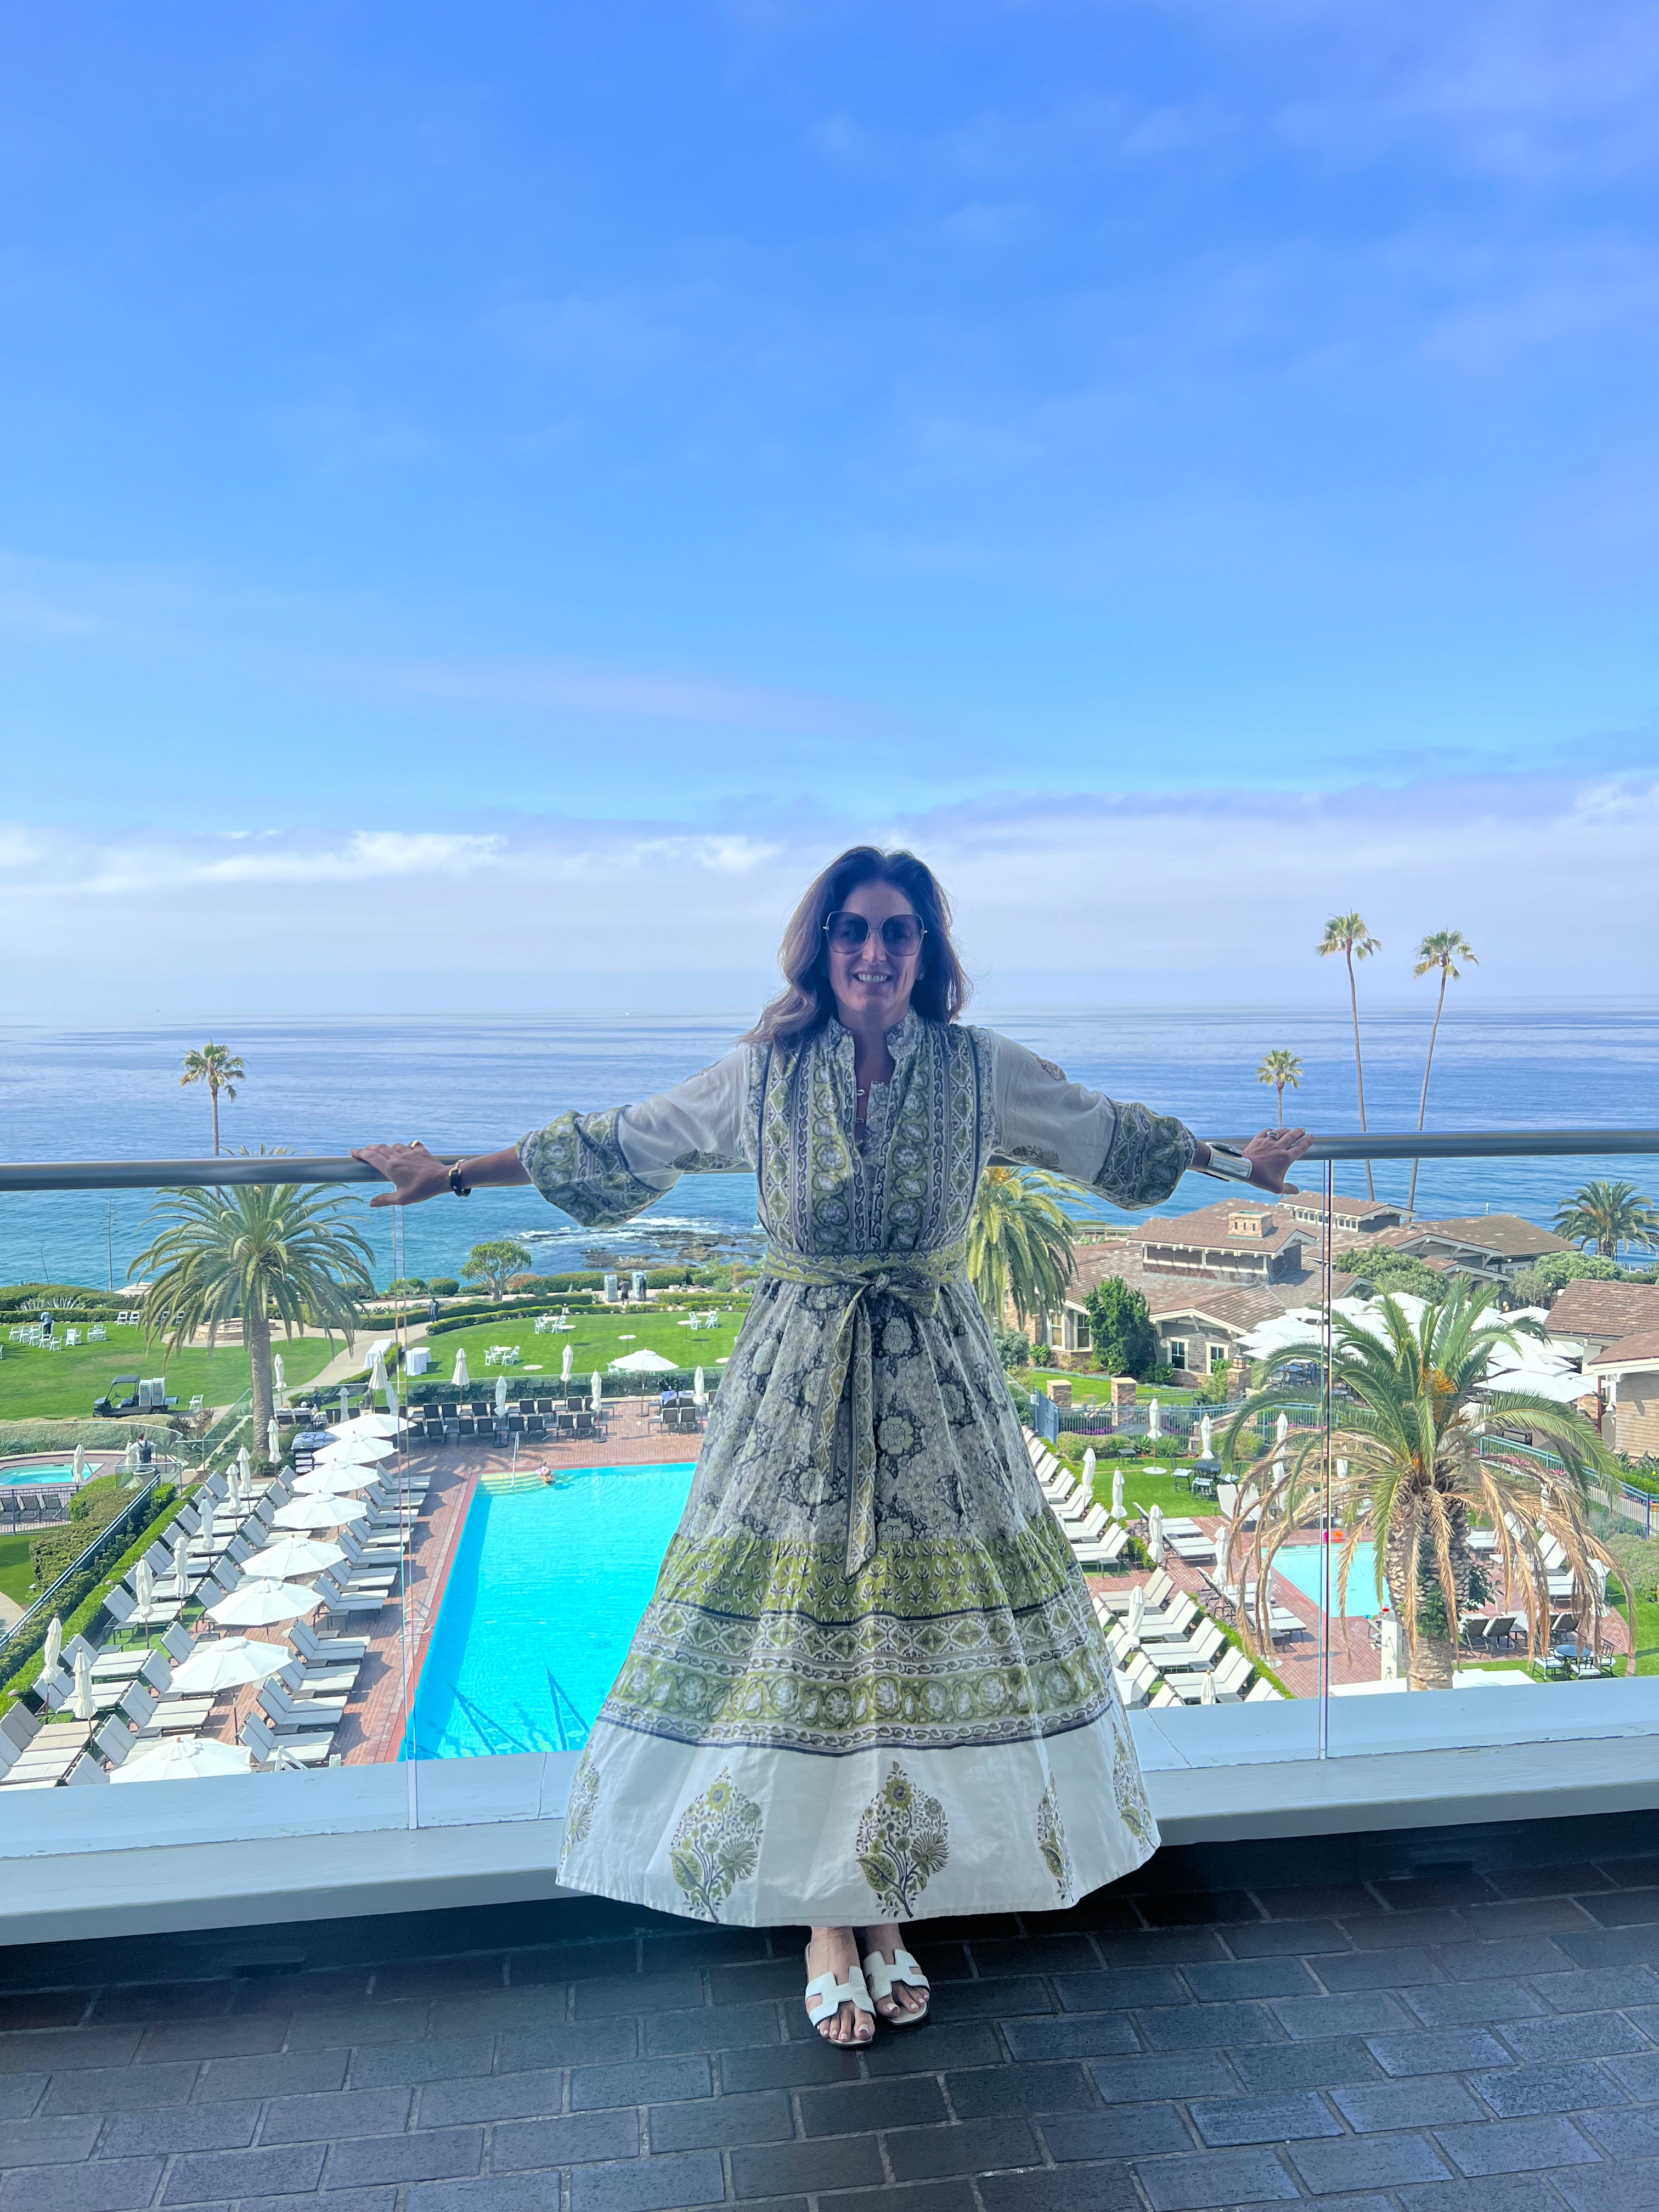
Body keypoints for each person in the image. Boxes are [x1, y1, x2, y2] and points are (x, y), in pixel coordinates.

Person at [354, 847, 1310, 2046]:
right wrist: (449, 1176)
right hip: (795, 1391)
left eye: (898, 931)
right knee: (802, 1643)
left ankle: (883, 1900)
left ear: (926, 950)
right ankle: (826, 1923)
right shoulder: (763, 1073)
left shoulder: (979, 1070)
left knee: (898, 1646)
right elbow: (621, 1141)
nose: (873, 952)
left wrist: (1239, 1166)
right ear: (821, 946)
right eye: (853, 929)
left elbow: (1105, 1132)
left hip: (937, 1391)